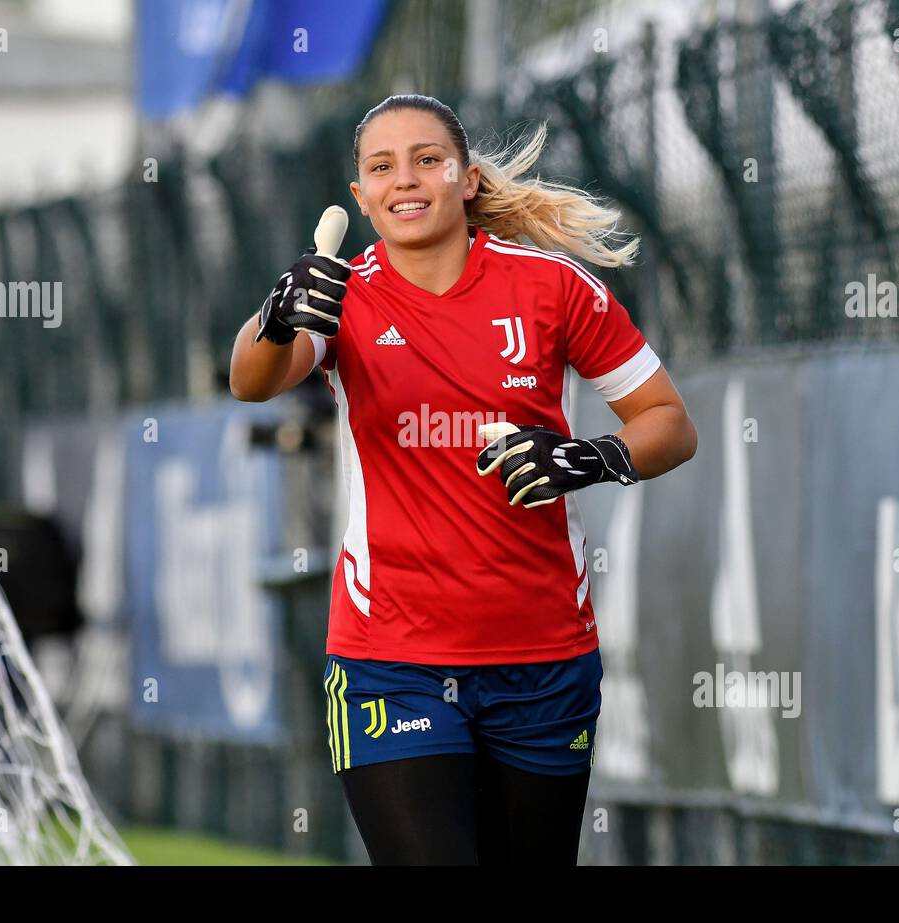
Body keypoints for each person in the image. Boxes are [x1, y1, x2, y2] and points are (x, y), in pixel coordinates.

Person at [229, 94, 697, 865]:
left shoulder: (554, 288)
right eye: (381, 167)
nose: (404, 180)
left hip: (543, 655)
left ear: (467, 178)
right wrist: (274, 316)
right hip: (391, 659)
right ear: (360, 196)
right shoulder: (339, 295)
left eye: (426, 160)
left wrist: (587, 456)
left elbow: (669, 424)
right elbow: (254, 379)